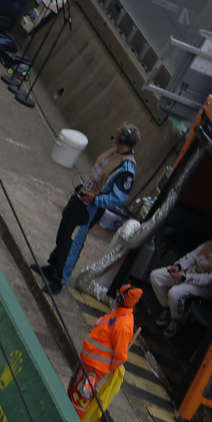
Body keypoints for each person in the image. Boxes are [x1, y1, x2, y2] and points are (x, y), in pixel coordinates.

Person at [40, 125, 138, 295]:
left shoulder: (127, 168)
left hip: (91, 207)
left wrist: (96, 199)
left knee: (74, 241)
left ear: (123, 140)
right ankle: (52, 266)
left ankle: (59, 279)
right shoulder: (114, 152)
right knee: (64, 232)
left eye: (118, 133)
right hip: (82, 195)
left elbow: (120, 197)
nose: (114, 135)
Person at [148, 221, 212, 331]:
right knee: (156, 276)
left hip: (207, 287)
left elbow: (209, 279)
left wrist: (184, 278)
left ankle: (176, 320)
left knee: (175, 292)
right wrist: (179, 266)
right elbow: (193, 256)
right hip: (190, 273)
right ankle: (167, 308)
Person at [68, 288, 140, 422]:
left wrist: (106, 367)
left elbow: (120, 355)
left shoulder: (123, 325)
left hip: (94, 369)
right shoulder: (118, 314)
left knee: (80, 398)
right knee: (73, 391)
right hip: (87, 362)